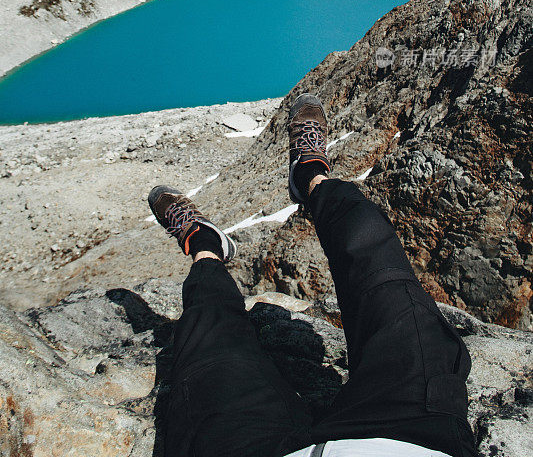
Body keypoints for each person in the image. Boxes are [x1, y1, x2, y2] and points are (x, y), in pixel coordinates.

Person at [148, 94, 478, 457]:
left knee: (207, 335)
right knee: (377, 256)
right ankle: (309, 175)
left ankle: (204, 244)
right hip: (415, 436)